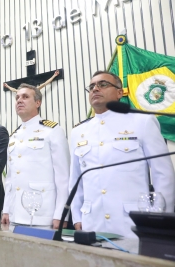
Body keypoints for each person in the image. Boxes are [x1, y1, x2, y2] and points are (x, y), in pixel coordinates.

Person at [69, 70, 175, 238]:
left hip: (132, 222)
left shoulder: (142, 122)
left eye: (102, 84)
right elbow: (75, 179)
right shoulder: (78, 131)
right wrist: (76, 216)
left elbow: (163, 174)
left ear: (120, 93)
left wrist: (159, 217)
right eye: (91, 86)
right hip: (91, 221)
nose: (95, 89)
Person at [1, 84, 70, 228]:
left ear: (38, 102)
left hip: (43, 214)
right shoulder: (14, 136)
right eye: (17, 97)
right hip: (15, 213)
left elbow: (63, 177)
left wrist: (61, 214)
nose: (19, 100)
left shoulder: (52, 130)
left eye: (25, 97)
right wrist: (6, 209)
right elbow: (10, 179)